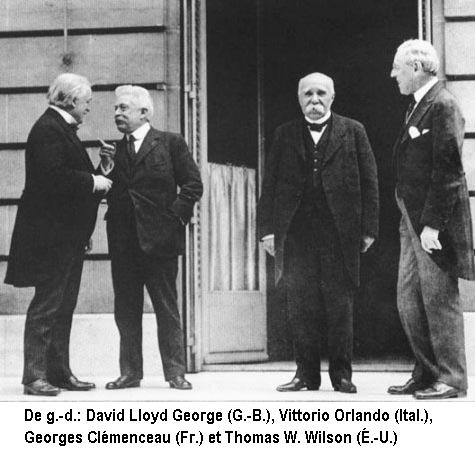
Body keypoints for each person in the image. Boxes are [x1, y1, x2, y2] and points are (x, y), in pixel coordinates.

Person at [257, 72, 379, 393]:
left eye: (321, 94)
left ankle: (342, 375)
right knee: (301, 305)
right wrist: (267, 231)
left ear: (332, 97)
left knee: (340, 307)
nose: (315, 100)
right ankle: (306, 375)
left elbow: (370, 182)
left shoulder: (354, 131)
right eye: (308, 94)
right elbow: (269, 185)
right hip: (296, 235)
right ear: (299, 99)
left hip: (340, 234)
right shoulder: (284, 134)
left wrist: (368, 229)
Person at [4, 73, 112, 396]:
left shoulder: (57, 128)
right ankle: (34, 377)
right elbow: (54, 179)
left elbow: (66, 182)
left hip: (65, 236)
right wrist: (94, 181)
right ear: (72, 100)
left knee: (63, 306)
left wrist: (101, 170)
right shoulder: (49, 129)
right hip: (51, 238)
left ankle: (58, 373)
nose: (89, 107)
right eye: (87, 102)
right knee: (48, 305)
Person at [388, 39, 475, 399]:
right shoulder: (418, 105)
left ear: (416, 67)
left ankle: (451, 379)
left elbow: (449, 170)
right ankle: (426, 372)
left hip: (431, 222)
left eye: (397, 67)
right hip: (411, 218)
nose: (392, 74)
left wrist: (433, 225)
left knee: (439, 299)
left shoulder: (442, 104)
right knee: (408, 299)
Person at [100, 85, 202, 390]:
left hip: (160, 242)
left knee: (166, 307)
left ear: (144, 112)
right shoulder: (113, 150)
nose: (117, 113)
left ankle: (175, 372)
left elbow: (193, 185)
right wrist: (105, 167)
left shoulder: (170, 143)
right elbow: (104, 188)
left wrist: (174, 219)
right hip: (123, 243)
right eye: (116, 108)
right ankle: (130, 372)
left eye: (123, 108)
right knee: (126, 310)